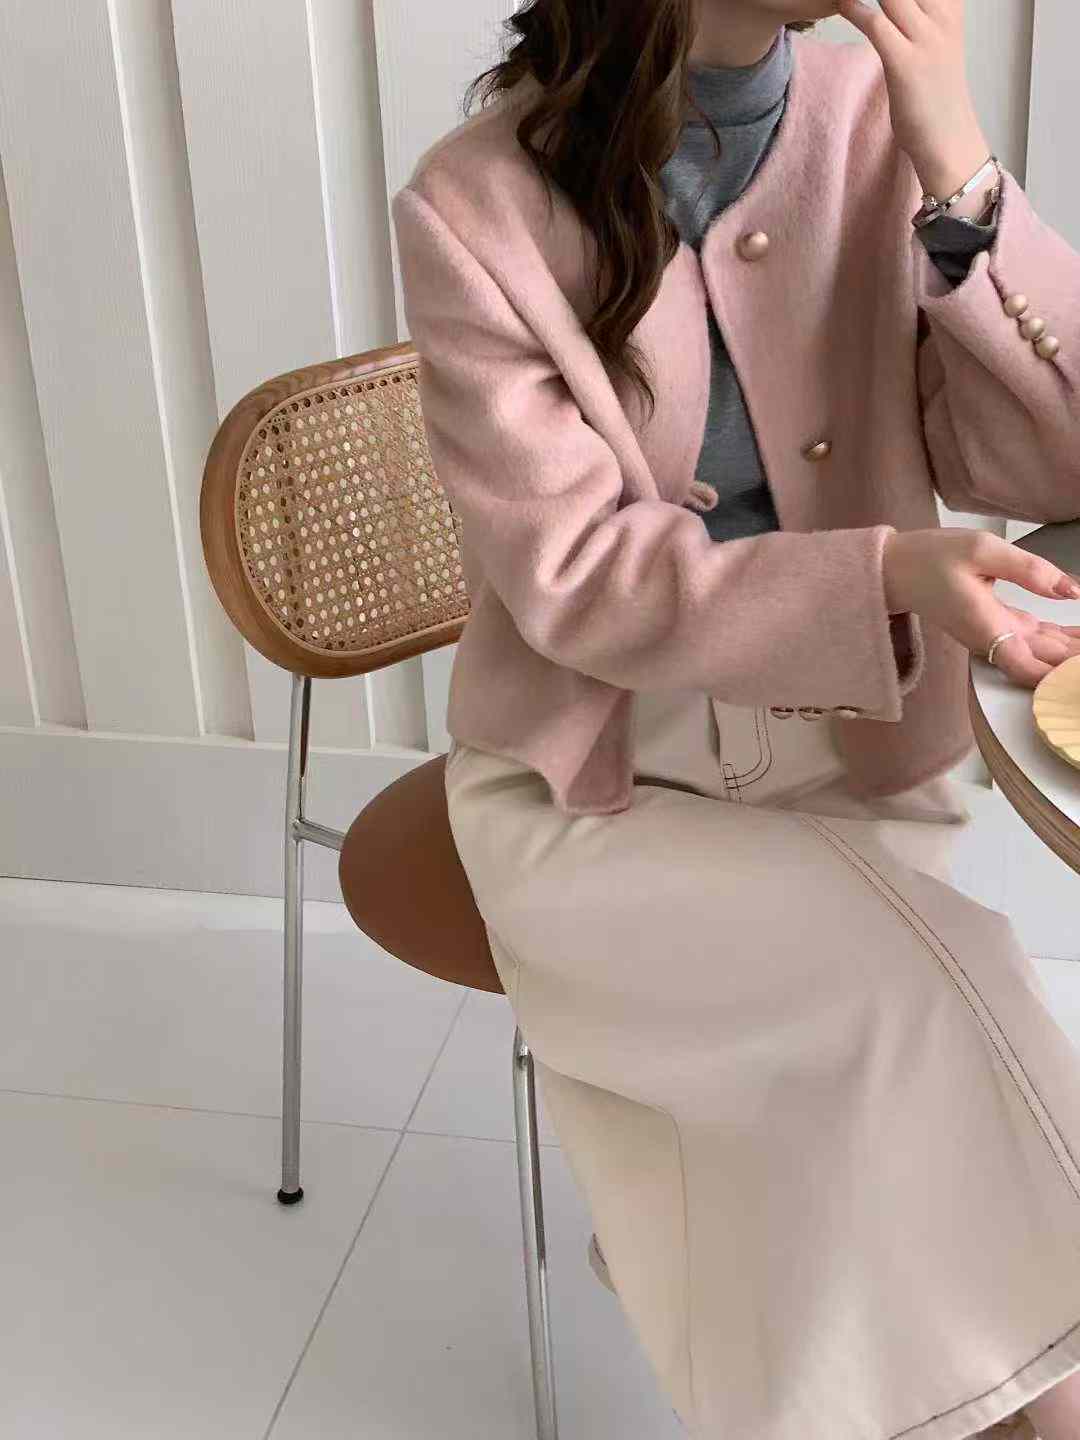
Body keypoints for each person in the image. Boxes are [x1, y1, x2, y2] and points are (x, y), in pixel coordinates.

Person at [391, 2, 1080, 1436]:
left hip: (859, 747)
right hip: (597, 785)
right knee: (940, 1003)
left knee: (882, 1140)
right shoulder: (474, 206)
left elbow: (1053, 458)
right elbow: (576, 579)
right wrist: (882, 573)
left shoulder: (874, 122)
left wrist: (961, 172)